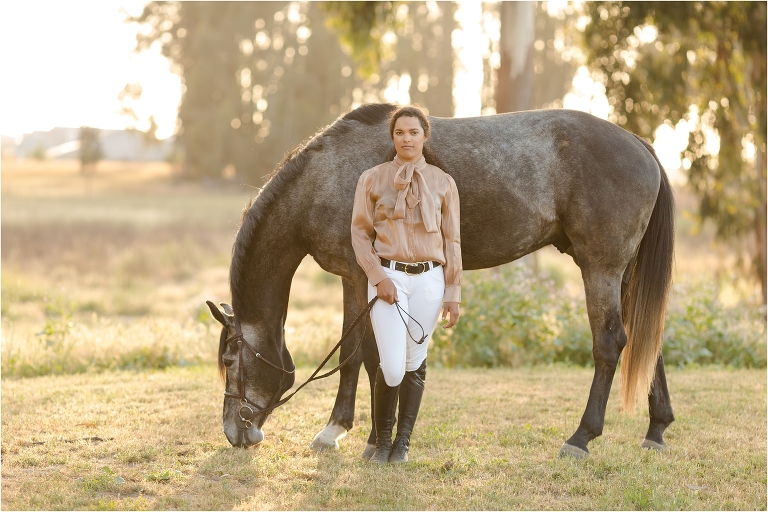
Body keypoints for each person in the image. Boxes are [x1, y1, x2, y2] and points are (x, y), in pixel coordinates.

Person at [351, 105, 462, 464]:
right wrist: (378, 276)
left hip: (430, 280)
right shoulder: (371, 178)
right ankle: (382, 441)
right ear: (392, 137)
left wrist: (452, 292)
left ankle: (401, 445)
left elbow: (452, 241)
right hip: (389, 278)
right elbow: (359, 233)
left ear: (425, 136)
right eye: (400, 133)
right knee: (394, 366)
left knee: (415, 360)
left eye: (413, 132)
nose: (406, 139)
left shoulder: (444, 183)